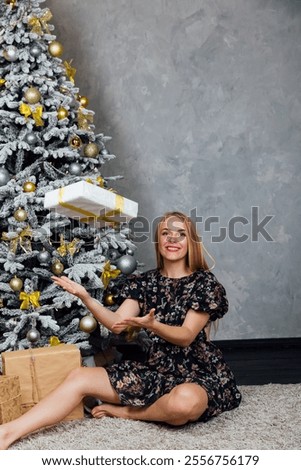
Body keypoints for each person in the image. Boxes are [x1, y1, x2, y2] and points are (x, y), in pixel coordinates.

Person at [0, 211, 241, 450]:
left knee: (183, 406)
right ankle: (8, 433)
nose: (172, 239)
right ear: (159, 241)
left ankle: (128, 412)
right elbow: (116, 323)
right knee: (79, 377)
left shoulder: (204, 283)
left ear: (191, 242)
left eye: (181, 234)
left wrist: (152, 325)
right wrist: (86, 298)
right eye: (166, 233)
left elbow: (186, 336)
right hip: (155, 370)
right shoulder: (145, 282)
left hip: (196, 372)